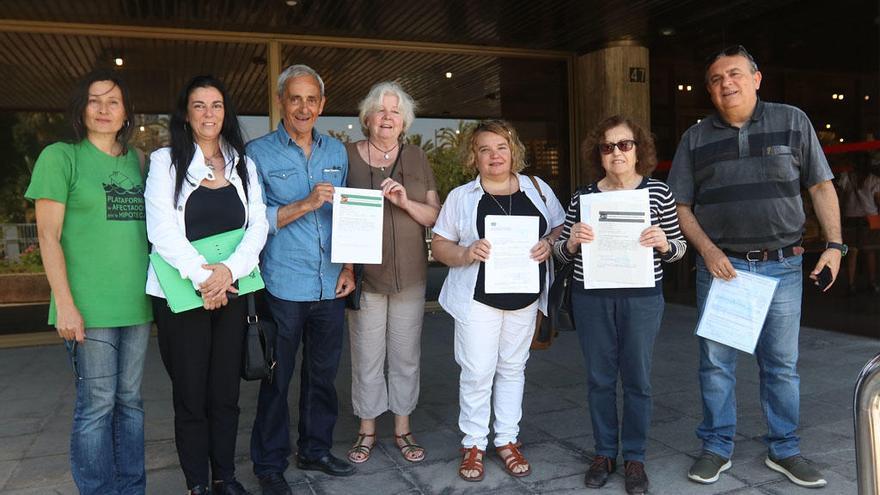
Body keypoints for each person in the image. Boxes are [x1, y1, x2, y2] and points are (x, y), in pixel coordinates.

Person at [668, 45, 843, 488]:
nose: (726, 83)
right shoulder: (695, 138)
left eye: (735, 74)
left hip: (782, 266)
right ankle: (716, 447)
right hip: (723, 270)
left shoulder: (792, 120)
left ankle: (785, 449)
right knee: (717, 365)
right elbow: (681, 206)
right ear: (709, 90)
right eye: (716, 79)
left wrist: (835, 245)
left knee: (781, 364)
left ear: (756, 78)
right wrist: (707, 252)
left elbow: (821, 186)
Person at [25, 69, 152, 495]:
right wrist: (65, 303)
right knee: (97, 405)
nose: (103, 109)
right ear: (81, 109)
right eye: (94, 100)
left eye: (113, 101)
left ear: (126, 112)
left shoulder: (139, 160)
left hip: (136, 304)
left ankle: (132, 489)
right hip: (88, 306)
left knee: (129, 404)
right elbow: (47, 236)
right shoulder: (61, 157)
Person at [144, 75, 268, 495]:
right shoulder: (165, 162)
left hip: (231, 290)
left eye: (216, 105)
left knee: (225, 394)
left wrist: (226, 274)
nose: (209, 113)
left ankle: (225, 477)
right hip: (181, 294)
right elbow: (161, 230)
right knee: (191, 395)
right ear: (185, 113)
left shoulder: (244, 165)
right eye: (199, 105)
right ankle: (197, 482)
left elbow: (258, 227)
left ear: (226, 112)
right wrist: (203, 278)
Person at [553, 115, 687, 494]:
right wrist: (571, 242)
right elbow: (561, 256)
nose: (617, 152)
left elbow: (679, 250)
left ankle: (635, 458)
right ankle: (603, 452)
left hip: (642, 297)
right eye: (608, 146)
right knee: (599, 379)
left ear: (638, 149)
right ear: (599, 153)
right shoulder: (583, 197)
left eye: (624, 144)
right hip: (592, 296)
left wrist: (663, 242)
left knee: (638, 381)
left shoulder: (658, 193)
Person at [432, 119, 565, 482]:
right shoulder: (462, 197)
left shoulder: (537, 189)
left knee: (512, 369)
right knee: (476, 372)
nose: (494, 155)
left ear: (513, 151)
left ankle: (507, 439)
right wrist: (466, 252)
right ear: (473, 156)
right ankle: (473, 443)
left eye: (501, 147)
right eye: (485, 149)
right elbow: (440, 244)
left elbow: (560, 227)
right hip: (478, 299)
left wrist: (549, 244)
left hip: (525, 297)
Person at [247, 64, 356, 495]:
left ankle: (315, 449)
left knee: (323, 376)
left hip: (330, 283)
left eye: (312, 99)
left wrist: (348, 268)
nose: (304, 107)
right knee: (278, 378)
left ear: (322, 105)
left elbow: (348, 218)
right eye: (296, 98)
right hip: (283, 285)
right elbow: (256, 221)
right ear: (281, 102)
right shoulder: (257, 154)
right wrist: (307, 203)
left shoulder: (337, 153)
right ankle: (269, 464)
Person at [343, 81, 440, 464]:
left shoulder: (416, 157)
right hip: (365, 276)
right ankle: (367, 429)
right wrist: (347, 268)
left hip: (411, 276)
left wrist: (405, 201)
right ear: (367, 118)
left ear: (405, 122)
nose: (387, 117)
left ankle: (403, 428)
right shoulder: (347, 155)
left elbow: (434, 215)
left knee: (405, 356)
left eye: (394, 111)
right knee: (365, 355)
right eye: (380, 110)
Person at [837, 154, 880, 294]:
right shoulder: (874, 180)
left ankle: (851, 285)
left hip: (850, 218)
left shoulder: (847, 177)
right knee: (870, 252)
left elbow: (840, 196)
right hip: (871, 219)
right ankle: (872, 283)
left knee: (851, 253)